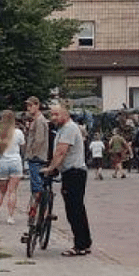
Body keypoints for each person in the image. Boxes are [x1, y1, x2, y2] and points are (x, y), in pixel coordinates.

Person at [42, 103, 91, 256]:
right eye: (52, 114)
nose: (53, 117)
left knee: (74, 210)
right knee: (77, 209)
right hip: (72, 172)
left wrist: (50, 168)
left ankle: (80, 245)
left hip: (74, 173)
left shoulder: (69, 128)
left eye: (57, 114)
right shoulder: (63, 129)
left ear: (66, 114)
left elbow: (61, 152)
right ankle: (84, 242)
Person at [0, 110, 25, 224]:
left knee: (0, 190)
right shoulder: (18, 133)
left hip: (1, 162)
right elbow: (22, 145)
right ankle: (10, 217)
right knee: (12, 191)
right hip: (15, 162)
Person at [22, 97, 50, 205]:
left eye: (31, 105)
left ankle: (36, 209)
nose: (29, 108)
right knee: (38, 184)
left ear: (37, 105)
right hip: (38, 156)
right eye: (28, 106)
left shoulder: (39, 120)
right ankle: (39, 208)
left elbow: (39, 140)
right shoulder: (37, 120)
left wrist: (32, 154)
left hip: (37, 157)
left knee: (36, 186)